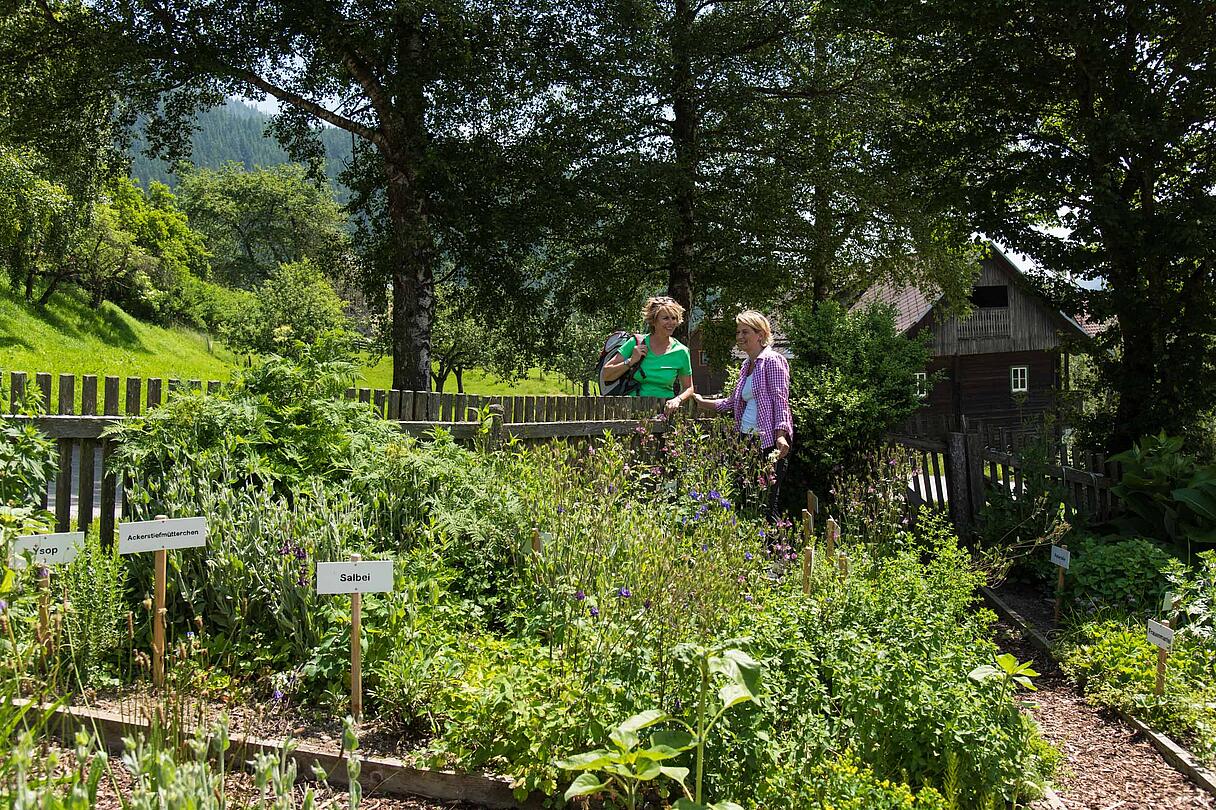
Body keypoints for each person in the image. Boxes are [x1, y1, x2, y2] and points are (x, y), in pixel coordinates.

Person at [694, 310, 793, 521]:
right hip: (745, 441)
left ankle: (777, 551)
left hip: (768, 443)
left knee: (767, 502)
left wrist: (781, 435)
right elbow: (731, 403)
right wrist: (702, 402)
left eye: (745, 331)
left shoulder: (773, 361)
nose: (740, 336)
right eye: (738, 332)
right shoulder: (746, 366)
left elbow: (780, 400)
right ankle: (752, 547)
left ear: (760, 334)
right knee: (747, 499)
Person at [602, 296, 695, 415]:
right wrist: (631, 361)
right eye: (666, 318)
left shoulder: (682, 351)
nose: (671, 323)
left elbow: (689, 388)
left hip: (664, 412)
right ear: (654, 320)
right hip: (631, 410)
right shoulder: (635, 343)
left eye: (674, 318)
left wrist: (678, 399)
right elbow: (606, 374)